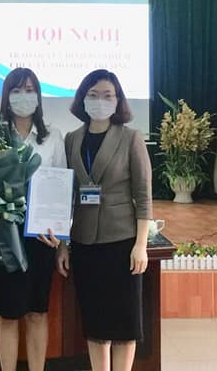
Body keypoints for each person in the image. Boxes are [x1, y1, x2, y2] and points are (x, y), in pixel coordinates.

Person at [57, 69, 153, 371]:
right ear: (82, 99)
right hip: (85, 242)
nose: (100, 100)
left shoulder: (131, 138)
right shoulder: (72, 139)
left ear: (118, 100)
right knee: (95, 321)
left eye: (107, 95)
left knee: (124, 323)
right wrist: (63, 244)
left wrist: (141, 245)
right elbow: (66, 196)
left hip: (122, 241)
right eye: (93, 95)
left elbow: (143, 196)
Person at [0, 68, 66, 371]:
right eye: (17, 90)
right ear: (6, 97)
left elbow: (62, 187)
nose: (24, 96)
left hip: (41, 233)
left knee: (37, 310)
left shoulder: (53, 136)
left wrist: (62, 239)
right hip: (4, 233)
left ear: (39, 96)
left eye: (30, 90)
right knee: (8, 312)